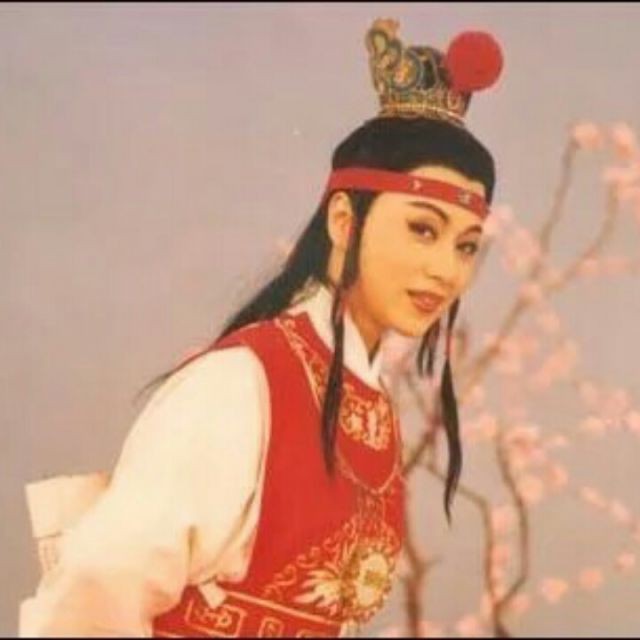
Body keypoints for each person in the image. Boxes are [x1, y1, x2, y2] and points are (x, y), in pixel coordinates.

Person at [19, 17, 503, 638]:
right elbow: (97, 587)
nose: (445, 269)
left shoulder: (367, 399)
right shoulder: (240, 384)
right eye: (422, 229)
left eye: (466, 246)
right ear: (343, 220)